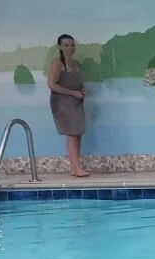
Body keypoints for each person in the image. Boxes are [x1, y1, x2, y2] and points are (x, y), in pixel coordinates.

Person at [46, 34, 89, 177]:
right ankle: (77, 168)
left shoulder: (75, 64)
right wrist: (72, 93)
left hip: (75, 101)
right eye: (66, 45)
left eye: (72, 45)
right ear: (59, 47)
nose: (70, 48)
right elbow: (52, 84)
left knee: (78, 133)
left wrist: (81, 91)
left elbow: (77, 82)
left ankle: (73, 167)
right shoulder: (57, 62)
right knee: (71, 133)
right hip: (62, 102)